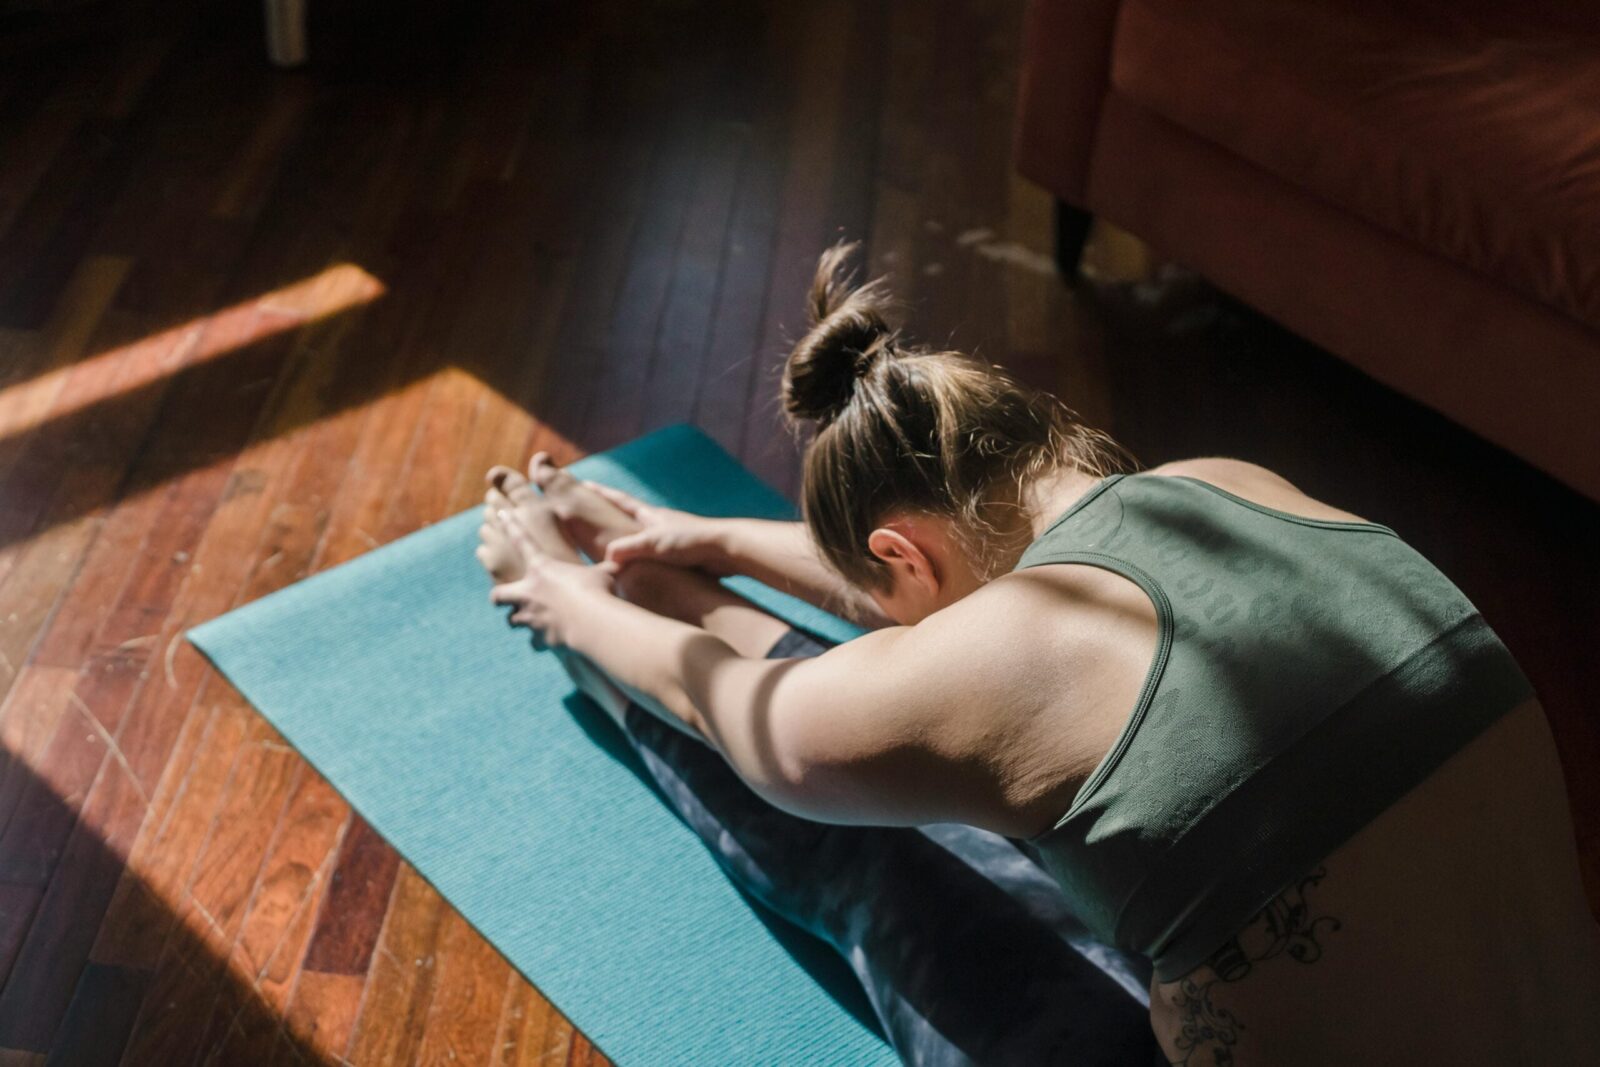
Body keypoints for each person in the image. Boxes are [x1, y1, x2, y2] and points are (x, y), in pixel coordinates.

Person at [477, 242, 1600, 1065]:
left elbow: (753, 720)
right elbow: (968, 602)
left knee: (888, 859)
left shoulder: (1008, 656)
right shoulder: (1220, 488)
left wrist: (563, 597)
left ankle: (636, 618)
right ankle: (670, 582)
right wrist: (719, 540)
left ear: (897, 554)